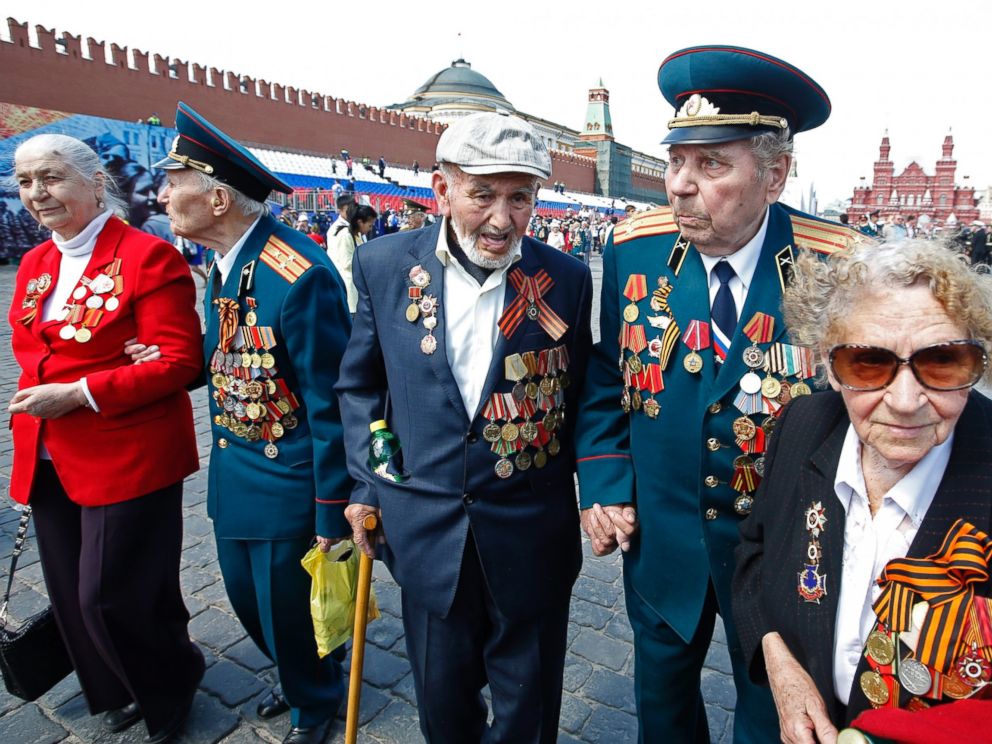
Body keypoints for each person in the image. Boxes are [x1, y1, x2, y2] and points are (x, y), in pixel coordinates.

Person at [574, 45, 863, 743]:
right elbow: (609, 376)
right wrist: (604, 481)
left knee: (773, 717)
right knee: (663, 706)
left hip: (790, 556)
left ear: (775, 174)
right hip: (663, 540)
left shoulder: (835, 266)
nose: (679, 184)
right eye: (676, 160)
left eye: (712, 165)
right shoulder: (633, 249)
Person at [336, 112, 593, 743]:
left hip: (531, 534)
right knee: (443, 706)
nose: (502, 219)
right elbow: (362, 388)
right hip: (423, 532)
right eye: (483, 195)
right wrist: (374, 483)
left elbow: (587, 397)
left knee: (528, 713)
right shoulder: (383, 265)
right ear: (442, 190)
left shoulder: (567, 279)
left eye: (520, 198)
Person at [733, 239, 992, 741]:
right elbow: (754, 551)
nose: (905, 400)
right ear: (829, 367)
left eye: (942, 362)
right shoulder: (802, 425)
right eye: (868, 363)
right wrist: (776, 656)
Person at [154, 102, 353, 744]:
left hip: (286, 479)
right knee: (249, 601)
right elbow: (232, 357)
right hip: (237, 469)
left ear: (216, 199)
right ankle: (305, 673)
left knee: (287, 609)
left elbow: (332, 405)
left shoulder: (298, 275)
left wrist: (330, 515)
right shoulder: (226, 264)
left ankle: (314, 702)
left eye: (172, 182)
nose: (161, 196)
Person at [7, 134, 204, 743]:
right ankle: (117, 686)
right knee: (70, 592)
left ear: (95, 183)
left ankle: (171, 684)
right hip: (46, 448)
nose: (37, 194)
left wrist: (82, 391)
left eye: (51, 177)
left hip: (127, 447)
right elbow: (34, 349)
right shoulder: (39, 261)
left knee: (112, 593)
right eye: (24, 181)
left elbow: (176, 362)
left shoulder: (148, 257)